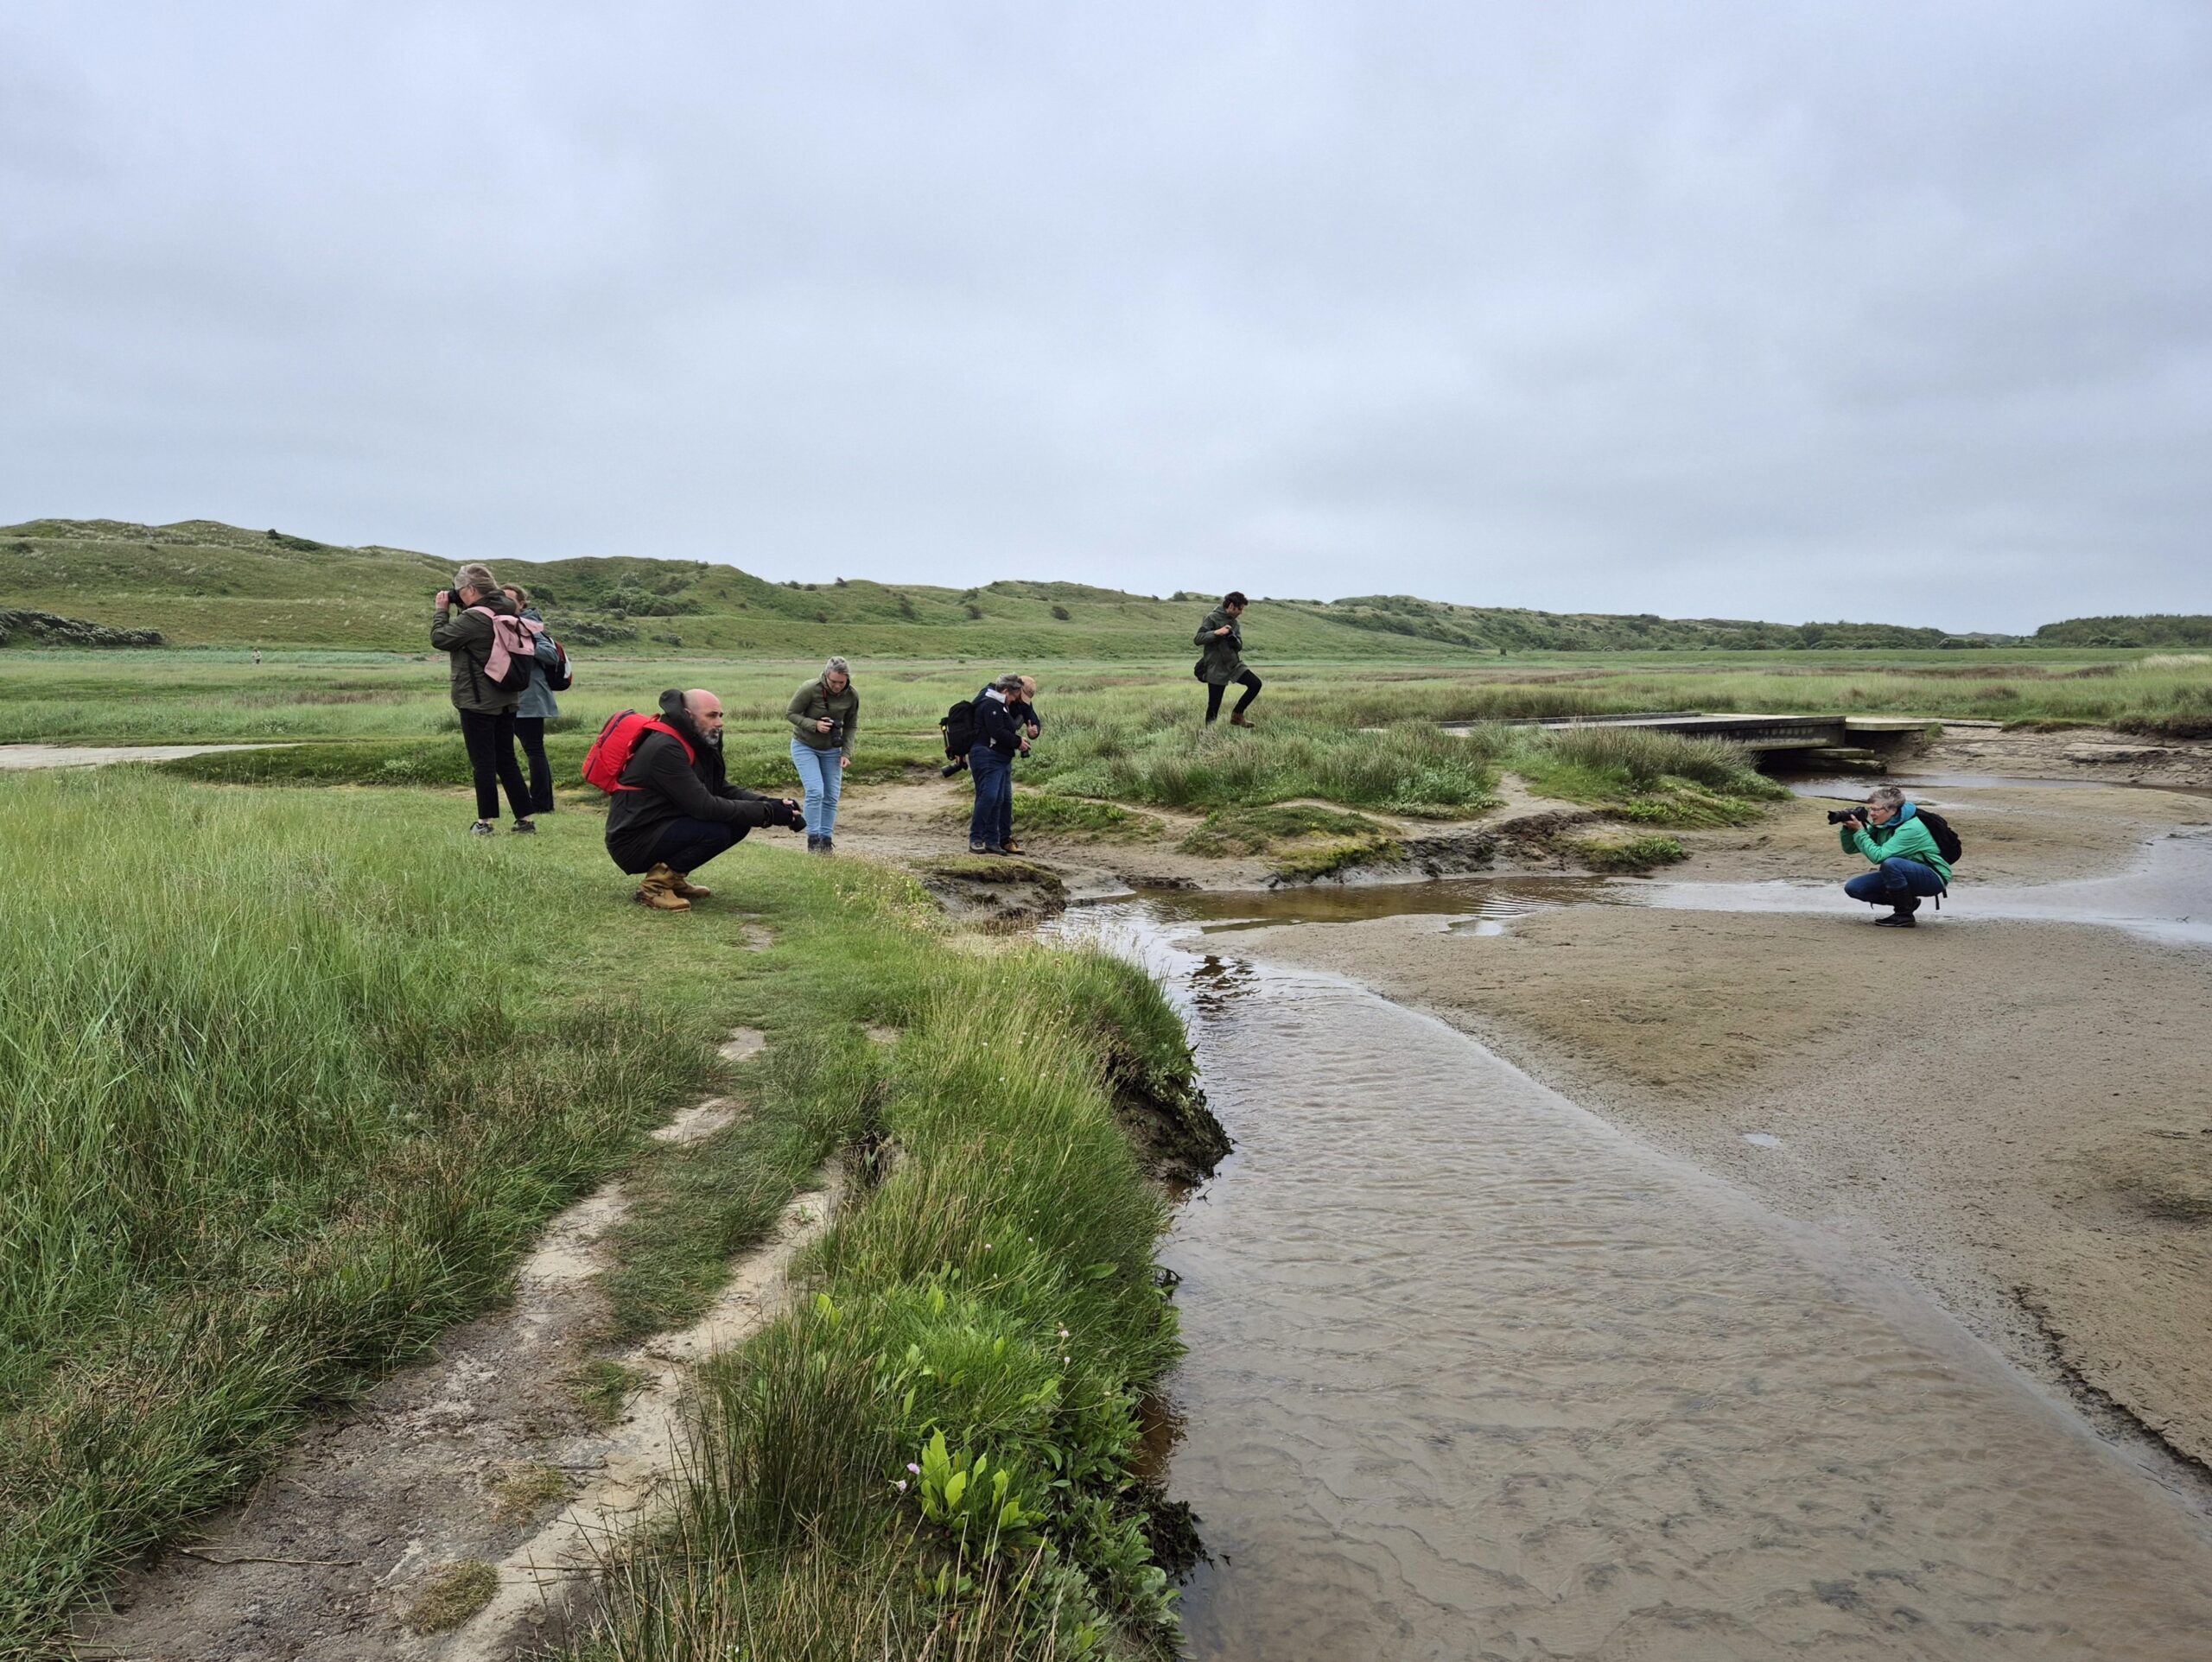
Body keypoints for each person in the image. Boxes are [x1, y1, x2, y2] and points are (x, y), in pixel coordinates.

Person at [605, 688, 804, 910]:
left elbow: (720, 788)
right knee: (716, 831)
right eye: (711, 716)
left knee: (739, 823)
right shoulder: (665, 748)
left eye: (720, 715)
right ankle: (655, 887)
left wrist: (768, 802)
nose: (719, 723)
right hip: (632, 840)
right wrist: (767, 813)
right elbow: (703, 806)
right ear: (688, 714)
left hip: (660, 825)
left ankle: (673, 878)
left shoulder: (697, 739)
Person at [430, 563, 535, 836]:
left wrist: (441, 611)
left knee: (483, 762)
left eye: (460, 590)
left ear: (471, 589)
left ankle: (485, 823)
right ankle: (525, 820)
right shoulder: (506, 609)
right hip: (507, 697)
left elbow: (440, 639)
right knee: (506, 759)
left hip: (478, 700)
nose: (457, 595)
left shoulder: (476, 618)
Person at [1839, 785, 1952, 927]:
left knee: (1891, 863)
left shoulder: (1911, 828)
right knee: (1854, 888)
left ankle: (1903, 915)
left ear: (1893, 810)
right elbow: (1850, 849)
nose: (1872, 814)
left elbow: (1878, 857)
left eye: (1876, 810)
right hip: (1901, 874)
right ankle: (1908, 902)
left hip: (1933, 877)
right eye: (1871, 809)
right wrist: (1849, 829)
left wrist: (1860, 831)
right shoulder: (1883, 823)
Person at [786, 656, 858, 853]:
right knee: (816, 791)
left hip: (832, 749)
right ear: (826, 676)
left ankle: (826, 842)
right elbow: (791, 713)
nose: (837, 686)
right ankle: (813, 840)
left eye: (841, 682)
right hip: (805, 745)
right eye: (833, 682)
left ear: (847, 679)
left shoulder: (852, 695)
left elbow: (851, 725)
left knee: (832, 796)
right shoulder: (810, 688)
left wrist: (847, 753)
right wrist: (815, 725)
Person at [503, 584, 559, 817]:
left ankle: (541, 803)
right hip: (515, 697)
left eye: (509, 600)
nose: (504, 604)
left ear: (522, 604)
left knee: (534, 750)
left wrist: (522, 644)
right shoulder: (506, 623)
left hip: (530, 699)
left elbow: (550, 654)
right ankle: (541, 801)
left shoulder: (531, 626)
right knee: (532, 750)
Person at [967, 674, 1027, 855]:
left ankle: (993, 841)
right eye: (1013, 696)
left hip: (999, 757)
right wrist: (1018, 742)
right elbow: (997, 731)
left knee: (999, 799)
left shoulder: (1000, 705)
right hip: (988, 756)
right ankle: (976, 839)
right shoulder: (991, 704)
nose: (1014, 701)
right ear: (1006, 691)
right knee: (989, 796)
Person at [1194, 591, 1262, 726]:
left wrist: (1233, 639)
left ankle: (1237, 715)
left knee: (1255, 684)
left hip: (1234, 664)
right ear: (1231, 606)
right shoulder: (1212, 618)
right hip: (1216, 666)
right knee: (1214, 705)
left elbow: (1240, 646)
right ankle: (1209, 735)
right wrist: (1217, 633)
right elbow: (1198, 639)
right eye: (1240, 608)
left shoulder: (1235, 623)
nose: (1241, 612)